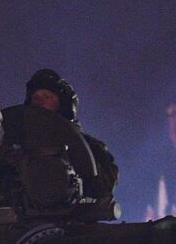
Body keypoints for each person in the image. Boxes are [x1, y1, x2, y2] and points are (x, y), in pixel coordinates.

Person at [20, 68, 118, 201]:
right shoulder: (18, 143)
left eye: (47, 97)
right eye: (35, 98)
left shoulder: (89, 147)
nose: (39, 102)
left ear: (63, 104)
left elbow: (105, 184)